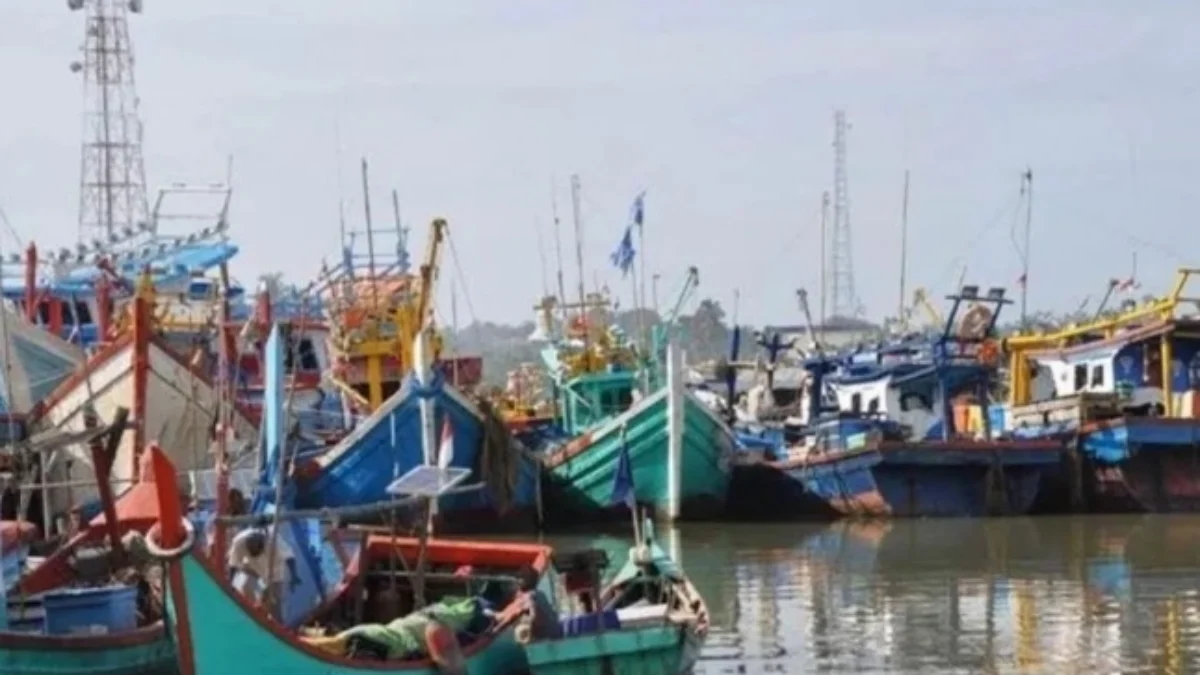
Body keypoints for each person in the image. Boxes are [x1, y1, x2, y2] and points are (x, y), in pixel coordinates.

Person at [227, 526, 300, 617]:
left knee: (273, 600)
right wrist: (228, 583)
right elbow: (233, 564)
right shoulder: (238, 542)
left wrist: (294, 575)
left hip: (274, 569)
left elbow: (289, 556)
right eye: (252, 551)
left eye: (257, 552)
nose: (255, 554)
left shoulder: (274, 540)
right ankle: (251, 613)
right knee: (245, 586)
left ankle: (276, 624)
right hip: (251, 565)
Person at [517, 565, 561, 640]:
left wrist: (522, 620)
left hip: (545, 637)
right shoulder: (541, 594)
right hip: (556, 632)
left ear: (524, 581)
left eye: (519, 579)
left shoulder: (529, 597)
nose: (517, 582)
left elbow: (533, 616)